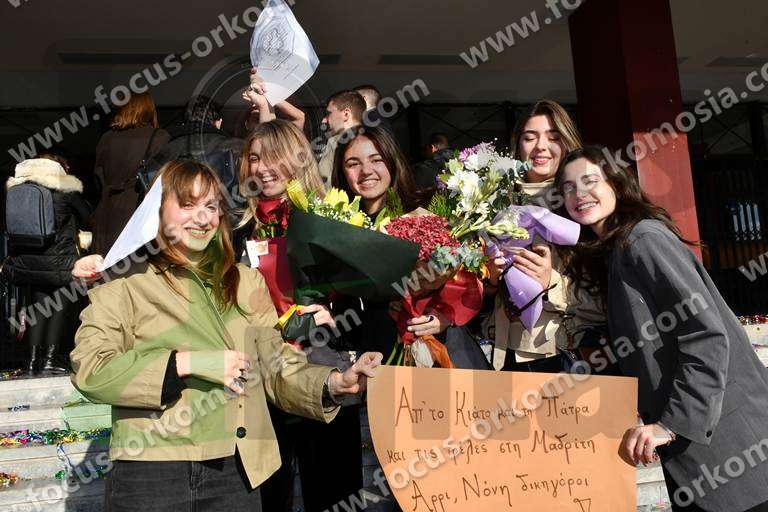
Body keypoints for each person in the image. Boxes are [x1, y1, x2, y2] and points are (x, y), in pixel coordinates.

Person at [70, 159, 381, 511]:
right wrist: (185, 364)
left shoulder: (245, 282)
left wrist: (333, 382)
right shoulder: (123, 282)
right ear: (156, 211)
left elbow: (275, 366)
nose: (202, 218)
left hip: (235, 470)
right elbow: (92, 369)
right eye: (187, 205)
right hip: (151, 468)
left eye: (211, 206)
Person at [555, 146, 768, 512]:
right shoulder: (615, 251)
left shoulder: (644, 239)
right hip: (695, 461)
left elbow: (706, 335)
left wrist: (671, 425)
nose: (579, 194)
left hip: (731, 447)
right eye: (569, 188)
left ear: (616, 184)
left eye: (590, 181)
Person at [486, 99, 606, 372]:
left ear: (567, 143)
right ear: (517, 145)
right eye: (530, 137)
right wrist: (490, 281)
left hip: (563, 354)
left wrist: (550, 282)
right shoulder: (492, 205)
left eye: (553, 137)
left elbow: (610, 299)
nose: (540, 146)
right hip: (500, 353)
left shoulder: (584, 205)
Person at [3, 155, 90, 374]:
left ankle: (32, 362)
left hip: (29, 261)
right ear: (58, 166)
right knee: (58, 306)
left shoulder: (19, 190)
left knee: (37, 308)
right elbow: (87, 215)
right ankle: (50, 360)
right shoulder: (65, 190)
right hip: (59, 260)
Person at [92, 92, 170, 255]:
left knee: (105, 266)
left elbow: (97, 177)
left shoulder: (106, 138)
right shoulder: (159, 137)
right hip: (137, 214)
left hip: (106, 213)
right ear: (149, 109)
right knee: (137, 267)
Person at [317, 90, 366, 187]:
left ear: (346, 114)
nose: (324, 120)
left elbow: (325, 183)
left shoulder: (336, 142)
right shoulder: (375, 138)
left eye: (329, 113)